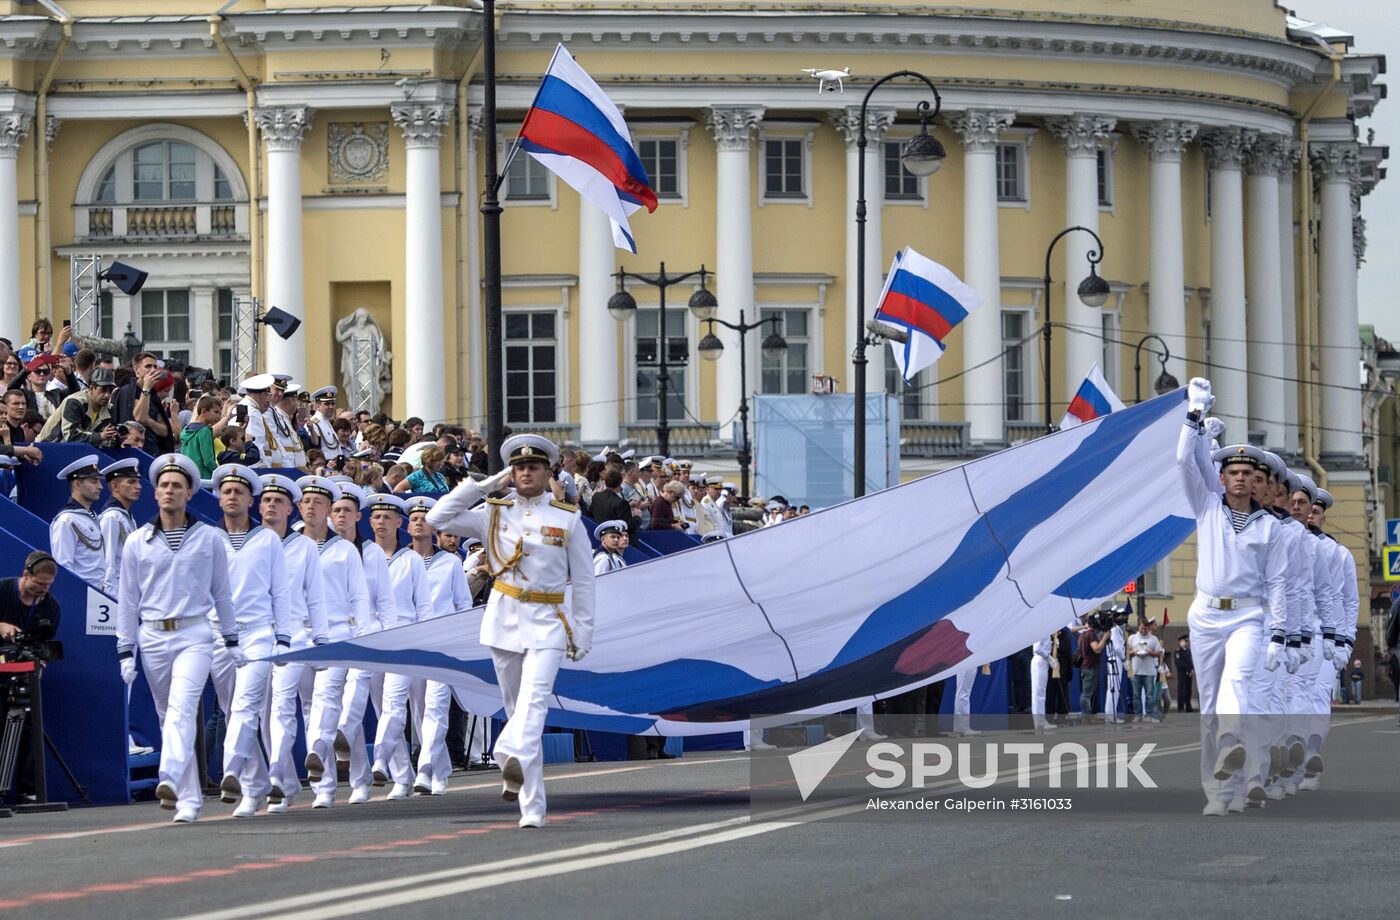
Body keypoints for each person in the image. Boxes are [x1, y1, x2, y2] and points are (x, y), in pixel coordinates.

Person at [426, 433, 595, 828]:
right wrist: (482, 486)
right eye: (518, 467)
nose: (524, 473)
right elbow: (437, 518)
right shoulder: (494, 512)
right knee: (519, 710)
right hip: (504, 619)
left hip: (549, 621)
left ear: (547, 471)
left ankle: (506, 751)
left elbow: (584, 581)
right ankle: (532, 807)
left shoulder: (566, 518)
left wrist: (583, 631)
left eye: (532, 467)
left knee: (535, 703)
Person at [1178, 378, 1288, 816]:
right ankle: (1220, 793)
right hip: (1205, 615)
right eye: (1233, 473)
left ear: (1256, 483)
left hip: (1248, 618)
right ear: (1221, 479)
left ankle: (1232, 750)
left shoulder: (1270, 528)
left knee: (1236, 686)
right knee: (1210, 705)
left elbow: (1279, 582)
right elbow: (1185, 460)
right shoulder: (1206, 507)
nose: (1241, 478)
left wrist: (1278, 633)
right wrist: (1194, 415)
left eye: (1248, 474)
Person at [116, 454, 238, 823]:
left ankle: (167, 775)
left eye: (177, 486)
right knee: (168, 714)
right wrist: (126, 651)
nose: (169, 491)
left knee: (184, 708)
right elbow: (127, 600)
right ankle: (188, 798)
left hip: (195, 633)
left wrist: (232, 640)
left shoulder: (210, 538)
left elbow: (222, 593)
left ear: (189, 493)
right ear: (155, 494)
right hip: (152, 635)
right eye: (164, 485)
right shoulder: (138, 541)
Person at [208, 463, 294, 819]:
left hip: (259, 632)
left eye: (239, 492)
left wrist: (284, 637)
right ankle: (255, 784)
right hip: (218, 634)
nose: (232, 497)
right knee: (232, 710)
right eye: (227, 491)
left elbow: (281, 591)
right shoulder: (206, 538)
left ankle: (232, 769)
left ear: (250, 499)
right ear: (218, 497)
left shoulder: (268, 539)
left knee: (247, 707)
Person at [258, 474, 328, 813]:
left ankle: (273, 773)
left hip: (295, 635)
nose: (271, 506)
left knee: (284, 705)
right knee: (262, 711)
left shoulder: (304, 547)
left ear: (290, 509)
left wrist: (322, 638)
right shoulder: (250, 542)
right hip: (256, 634)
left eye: (278, 501)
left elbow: (315, 597)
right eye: (266, 500)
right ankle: (284, 782)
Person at [406, 496, 474, 796]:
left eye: (426, 517)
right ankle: (440, 769)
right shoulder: (400, 560)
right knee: (419, 711)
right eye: (414, 518)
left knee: (436, 707)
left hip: (443, 642)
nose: (420, 522)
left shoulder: (450, 562)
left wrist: (460, 641)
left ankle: (423, 769)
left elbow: (464, 604)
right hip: (411, 643)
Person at [366, 492, 431, 800]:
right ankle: (402, 776)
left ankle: (379, 760)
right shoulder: (363, 557)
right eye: (376, 517)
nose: (381, 522)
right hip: (372, 638)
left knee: (395, 704)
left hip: (405, 637)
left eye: (387, 517)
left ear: (399, 523)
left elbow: (424, 607)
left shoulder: (412, 561)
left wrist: (423, 642)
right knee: (382, 709)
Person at [48, 455, 107, 589]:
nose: (100, 487)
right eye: (94, 481)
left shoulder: (91, 516)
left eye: (99, 481)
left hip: (99, 594)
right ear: (77, 484)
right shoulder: (66, 521)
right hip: (83, 594)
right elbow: (64, 567)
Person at [111, 353, 177, 455]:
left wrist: (149, 421)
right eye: (148, 366)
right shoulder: (128, 392)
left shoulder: (153, 395)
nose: (153, 370)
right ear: (137, 371)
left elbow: (164, 431)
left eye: (155, 366)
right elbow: (140, 418)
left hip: (153, 451)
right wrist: (146, 388)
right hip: (134, 452)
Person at [41, 367, 119, 447]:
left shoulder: (108, 408)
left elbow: (102, 442)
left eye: (110, 391)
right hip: (47, 446)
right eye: (103, 390)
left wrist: (116, 438)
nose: (107, 395)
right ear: (91, 388)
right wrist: (100, 436)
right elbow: (71, 435)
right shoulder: (74, 402)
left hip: (75, 450)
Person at [97, 459, 141, 598]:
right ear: (115, 486)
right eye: (131, 482)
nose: (138, 486)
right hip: (117, 592)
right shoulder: (112, 517)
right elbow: (107, 562)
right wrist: (111, 597)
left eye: (138, 482)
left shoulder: (127, 517)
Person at [233, 374, 277, 463]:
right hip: (254, 466)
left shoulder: (243, 407)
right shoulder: (253, 413)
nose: (268, 400)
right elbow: (256, 445)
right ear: (259, 395)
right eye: (266, 395)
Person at [1127, 617, 1163, 723]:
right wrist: (1134, 652)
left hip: (1149, 671)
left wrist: (1150, 653)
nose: (1143, 630)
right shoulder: (1132, 638)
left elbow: (1160, 653)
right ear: (1138, 627)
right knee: (1136, 695)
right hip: (1136, 670)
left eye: (1145, 629)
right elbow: (1127, 653)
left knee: (1149, 695)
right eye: (1141, 628)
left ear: (1148, 627)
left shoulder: (1153, 639)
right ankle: (1138, 715)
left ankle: (1149, 715)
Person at [180, 395, 223, 478]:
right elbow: (208, 461)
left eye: (220, 413)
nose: (219, 416)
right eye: (216, 412)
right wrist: (220, 474)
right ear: (204, 411)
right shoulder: (204, 431)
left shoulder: (186, 429)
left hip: (189, 476)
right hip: (204, 478)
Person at [1074, 621, 1107, 718]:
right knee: (1087, 694)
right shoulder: (1091, 635)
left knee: (1088, 693)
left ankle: (1088, 715)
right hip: (1090, 667)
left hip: (1086, 667)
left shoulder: (1083, 635)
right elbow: (1096, 648)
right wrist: (1105, 637)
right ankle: (1086, 716)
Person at [1030, 634, 1057, 732]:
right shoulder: (1043, 629)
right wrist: (1049, 657)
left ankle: (1040, 720)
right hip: (1040, 660)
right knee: (1039, 693)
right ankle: (1040, 721)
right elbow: (1037, 648)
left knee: (1040, 692)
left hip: (1042, 660)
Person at [1175, 636, 1195, 713]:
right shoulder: (1178, 651)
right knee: (1182, 690)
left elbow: (1190, 661)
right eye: (1184, 641)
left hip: (1189, 674)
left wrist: (1192, 669)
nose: (1185, 643)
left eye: (1186, 641)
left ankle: (1188, 706)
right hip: (1182, 673)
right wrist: (1188, 669)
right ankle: (1180, 707)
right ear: (1180, 642)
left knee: (1188, 690)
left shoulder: (1188, 651)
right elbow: (1179, 663)